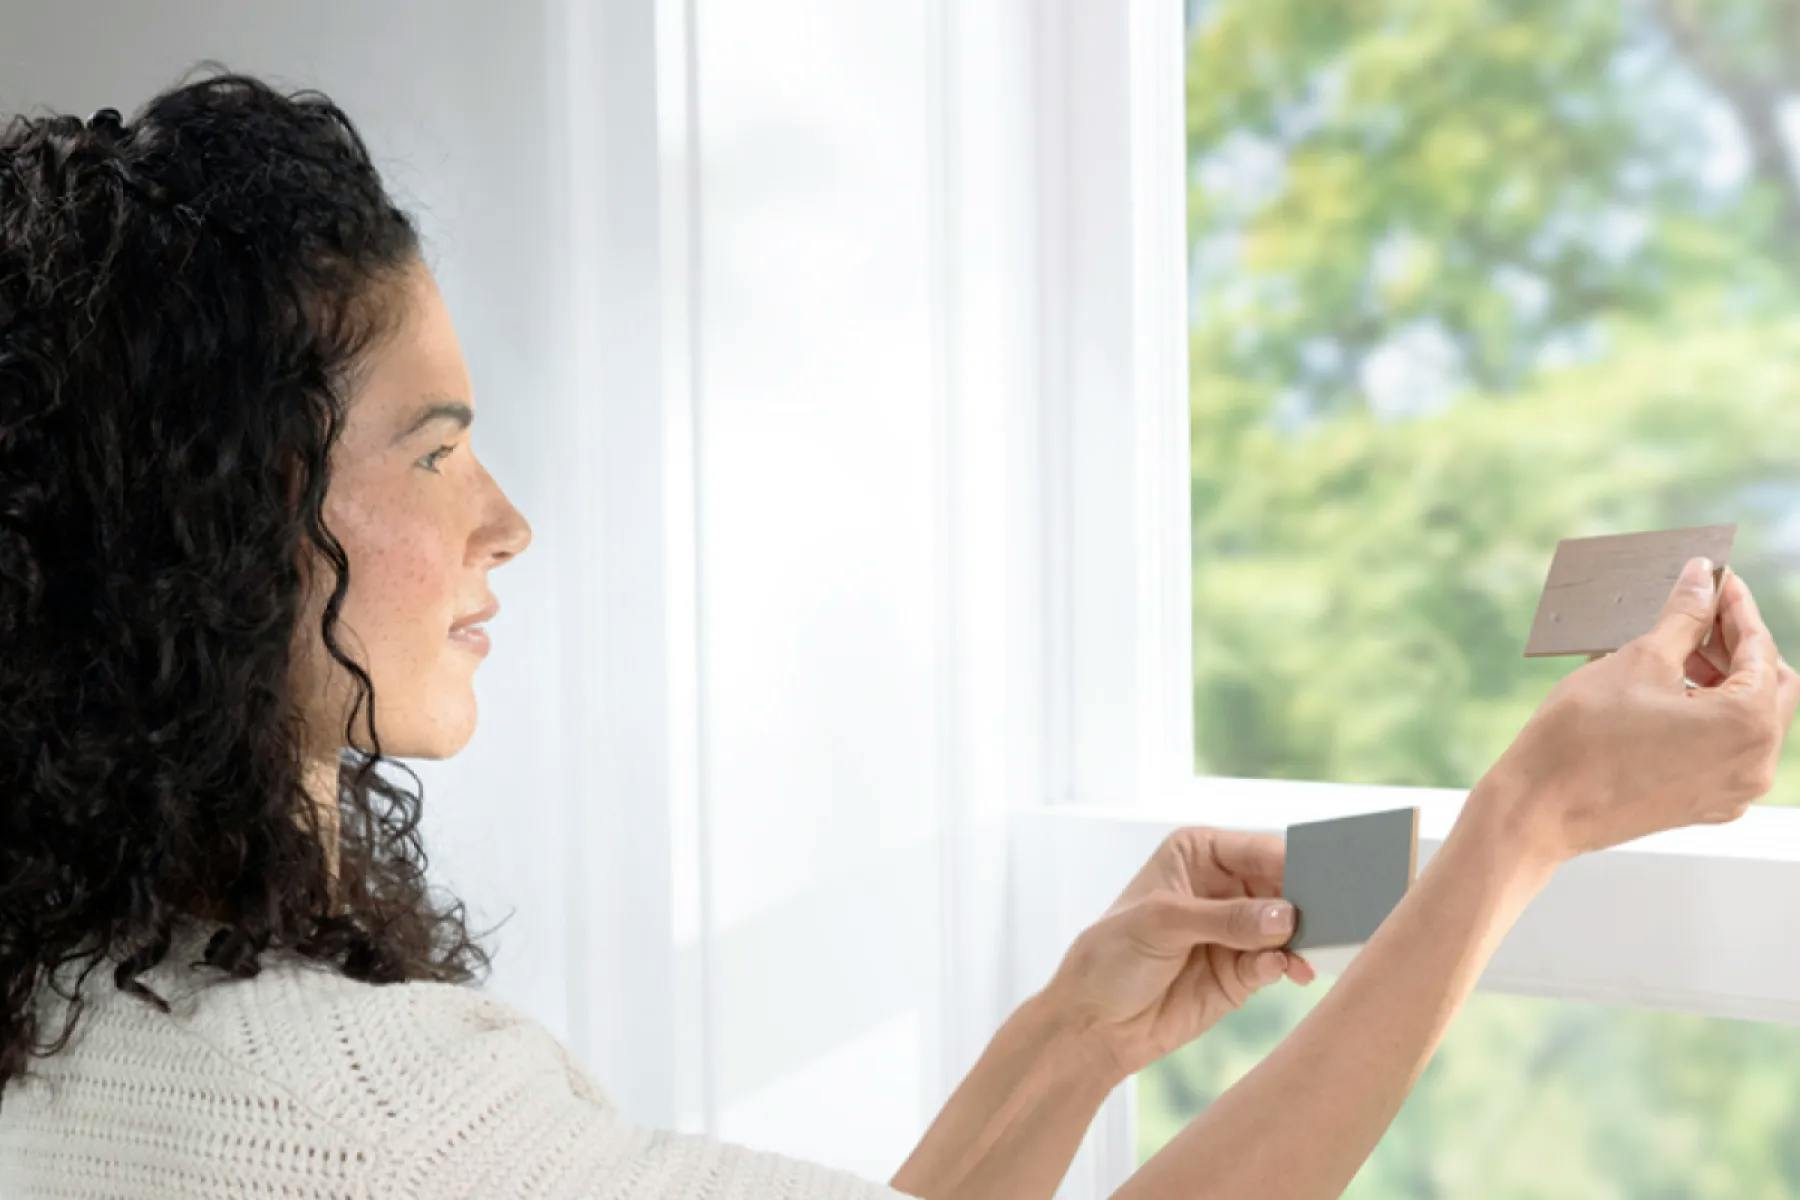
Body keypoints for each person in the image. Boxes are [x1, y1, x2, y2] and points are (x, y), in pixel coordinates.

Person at [0, 69, 1792, 1200]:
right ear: (220, 523)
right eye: (436, 446)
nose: (507, 520)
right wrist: (1522, 829)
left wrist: (1072, 1041)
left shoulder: (71, 1024)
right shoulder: (389, 1118)